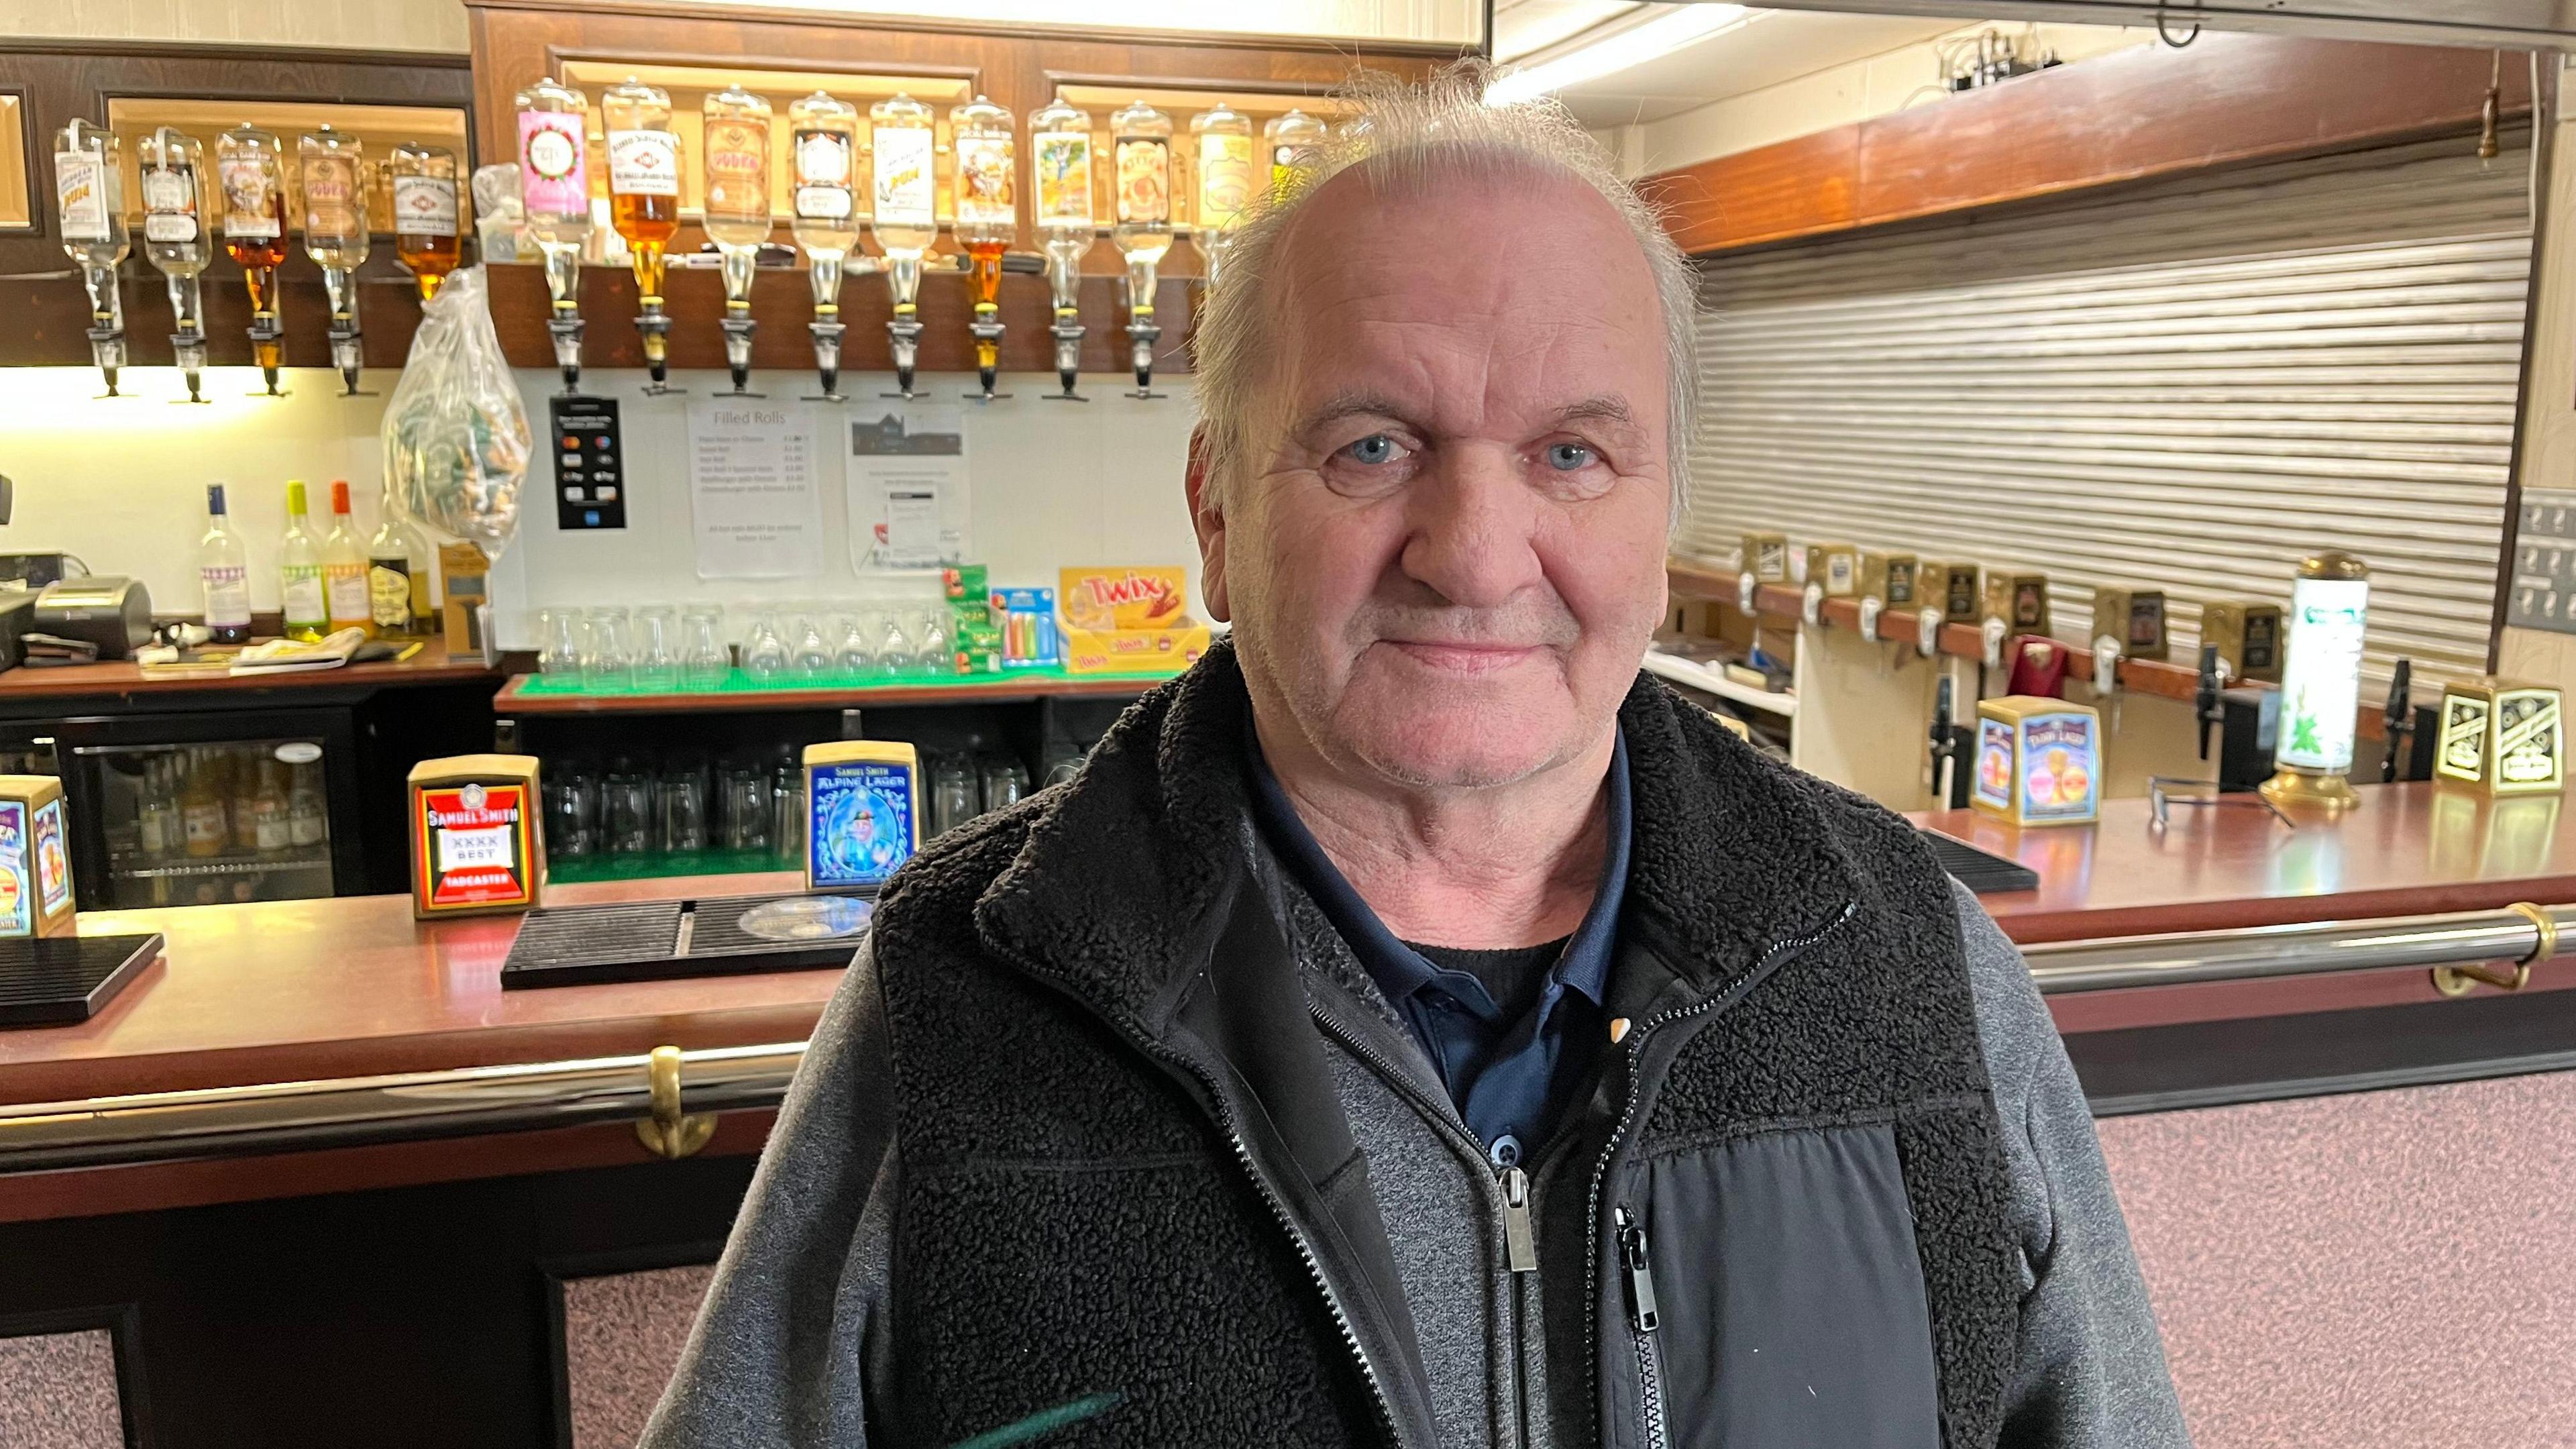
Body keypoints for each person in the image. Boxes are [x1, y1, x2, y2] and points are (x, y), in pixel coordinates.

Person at [641, 63, 2189, 1449]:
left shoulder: (1913, 965)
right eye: (1372, 445)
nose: (1471, 553)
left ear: (1662, 521)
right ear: (1218, 519)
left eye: (1570, 455)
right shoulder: (972, 992)